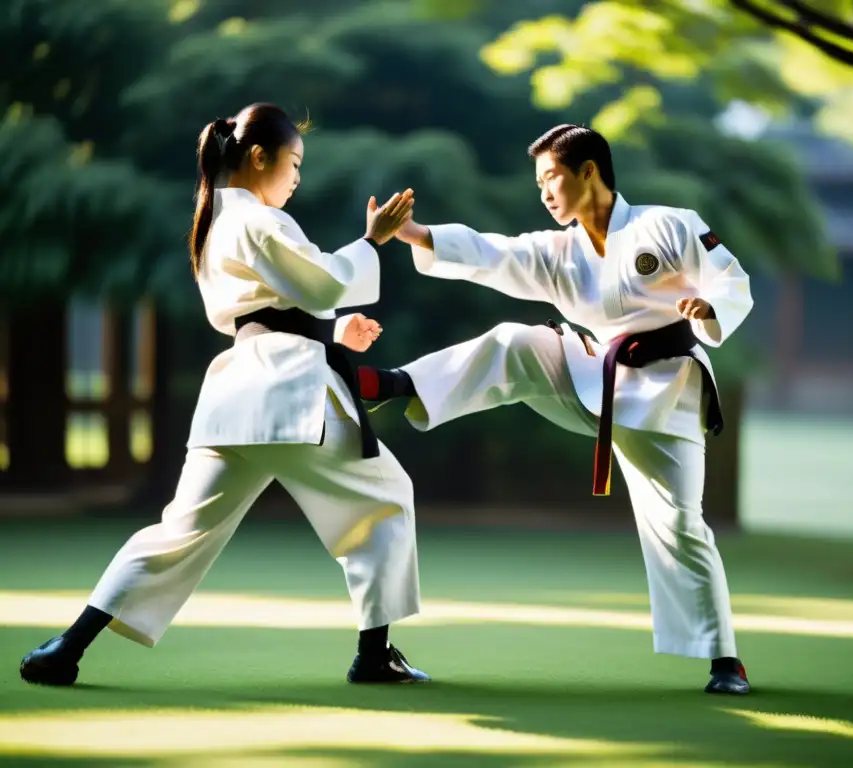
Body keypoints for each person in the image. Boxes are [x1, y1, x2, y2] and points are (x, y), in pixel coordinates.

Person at [19, 103, 429, 687]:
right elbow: (322, 281)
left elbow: (260, 312)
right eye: (292, 162)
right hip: (289, 396)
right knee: (386, 499)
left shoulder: (215, 223)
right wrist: (373, 240)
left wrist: (337, 331)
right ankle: (374, 655)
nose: (296, 177)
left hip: (236, 400)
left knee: (177, 531)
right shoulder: (259, 220)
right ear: (258, 156)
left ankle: (67, 646)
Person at [358, 124, 753, 694]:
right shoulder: (558, 249)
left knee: (680, 525)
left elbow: (730, 279)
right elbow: (494, 252)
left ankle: (724, 661)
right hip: (594, 379)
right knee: (516, 342)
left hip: (668, 394)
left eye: (551, 178)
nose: (543, 192)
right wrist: (416, 234)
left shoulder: (668, 224)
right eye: (539, 181)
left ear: (588, 170)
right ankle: (401, 384)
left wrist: (705, 303)